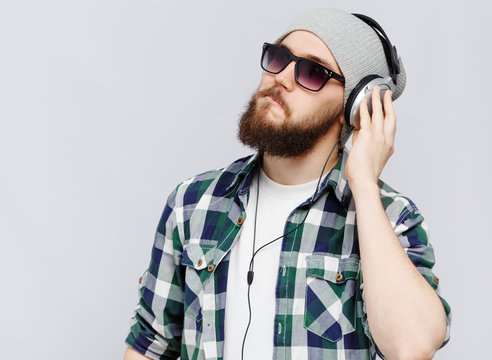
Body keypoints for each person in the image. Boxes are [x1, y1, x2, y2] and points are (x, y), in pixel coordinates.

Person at [123, 8, 452, 360]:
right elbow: (151, 345)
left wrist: (365, 186)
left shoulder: (391, 216)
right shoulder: (193, 203)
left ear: (355, 107)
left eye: (312, 72)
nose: (282, 77)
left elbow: (412, 346)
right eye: (279, 58)